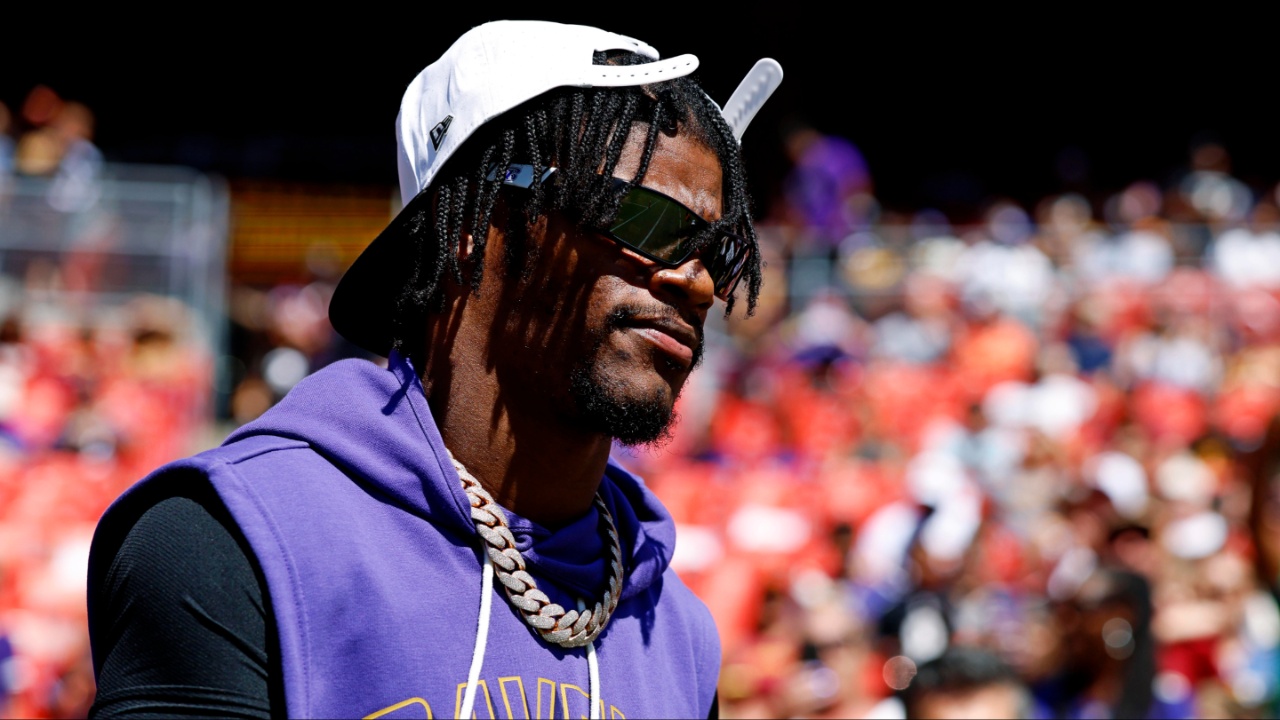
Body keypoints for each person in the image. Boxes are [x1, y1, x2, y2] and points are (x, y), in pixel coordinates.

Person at [85, 20, 782, 719]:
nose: (694, 282)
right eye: (640, 216)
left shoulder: (677, 631)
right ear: (472, 228)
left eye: (719, 253)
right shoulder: (235, 540)